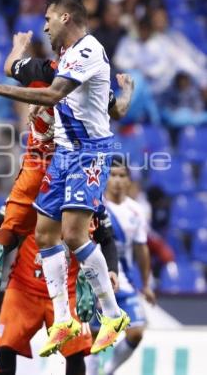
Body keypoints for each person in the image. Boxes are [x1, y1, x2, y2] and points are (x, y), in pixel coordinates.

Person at [0, 0, 134, 356]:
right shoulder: (67, 58)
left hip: (88, 154)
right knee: (45, 234)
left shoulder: (88, 51)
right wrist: (126, 96)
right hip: (64, 153)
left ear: (65, 16)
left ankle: (112, 314)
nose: (45, 26)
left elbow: (54, 95)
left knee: (73, 236)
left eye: (48, 18)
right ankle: (63, 320)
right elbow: (114, 109)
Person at [0, 231, 93, 375]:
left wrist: (111, 270)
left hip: (67, 293)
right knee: (6, 347)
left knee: (76, 353)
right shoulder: (27, 208)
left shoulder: (87, 209)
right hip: (24, 289)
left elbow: (105, 238)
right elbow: (2, 223)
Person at [87, 156, 156, 375]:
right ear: (106, 179)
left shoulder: (136, 211)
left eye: (122, 176)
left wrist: (145, 284)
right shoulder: (94, 206)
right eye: (113, 175)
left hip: (124, 281)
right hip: (96, 282)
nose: (117, 180)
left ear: (128, 181)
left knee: (136, 332)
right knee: (94, 338)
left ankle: (109, 370)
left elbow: (141, 248)